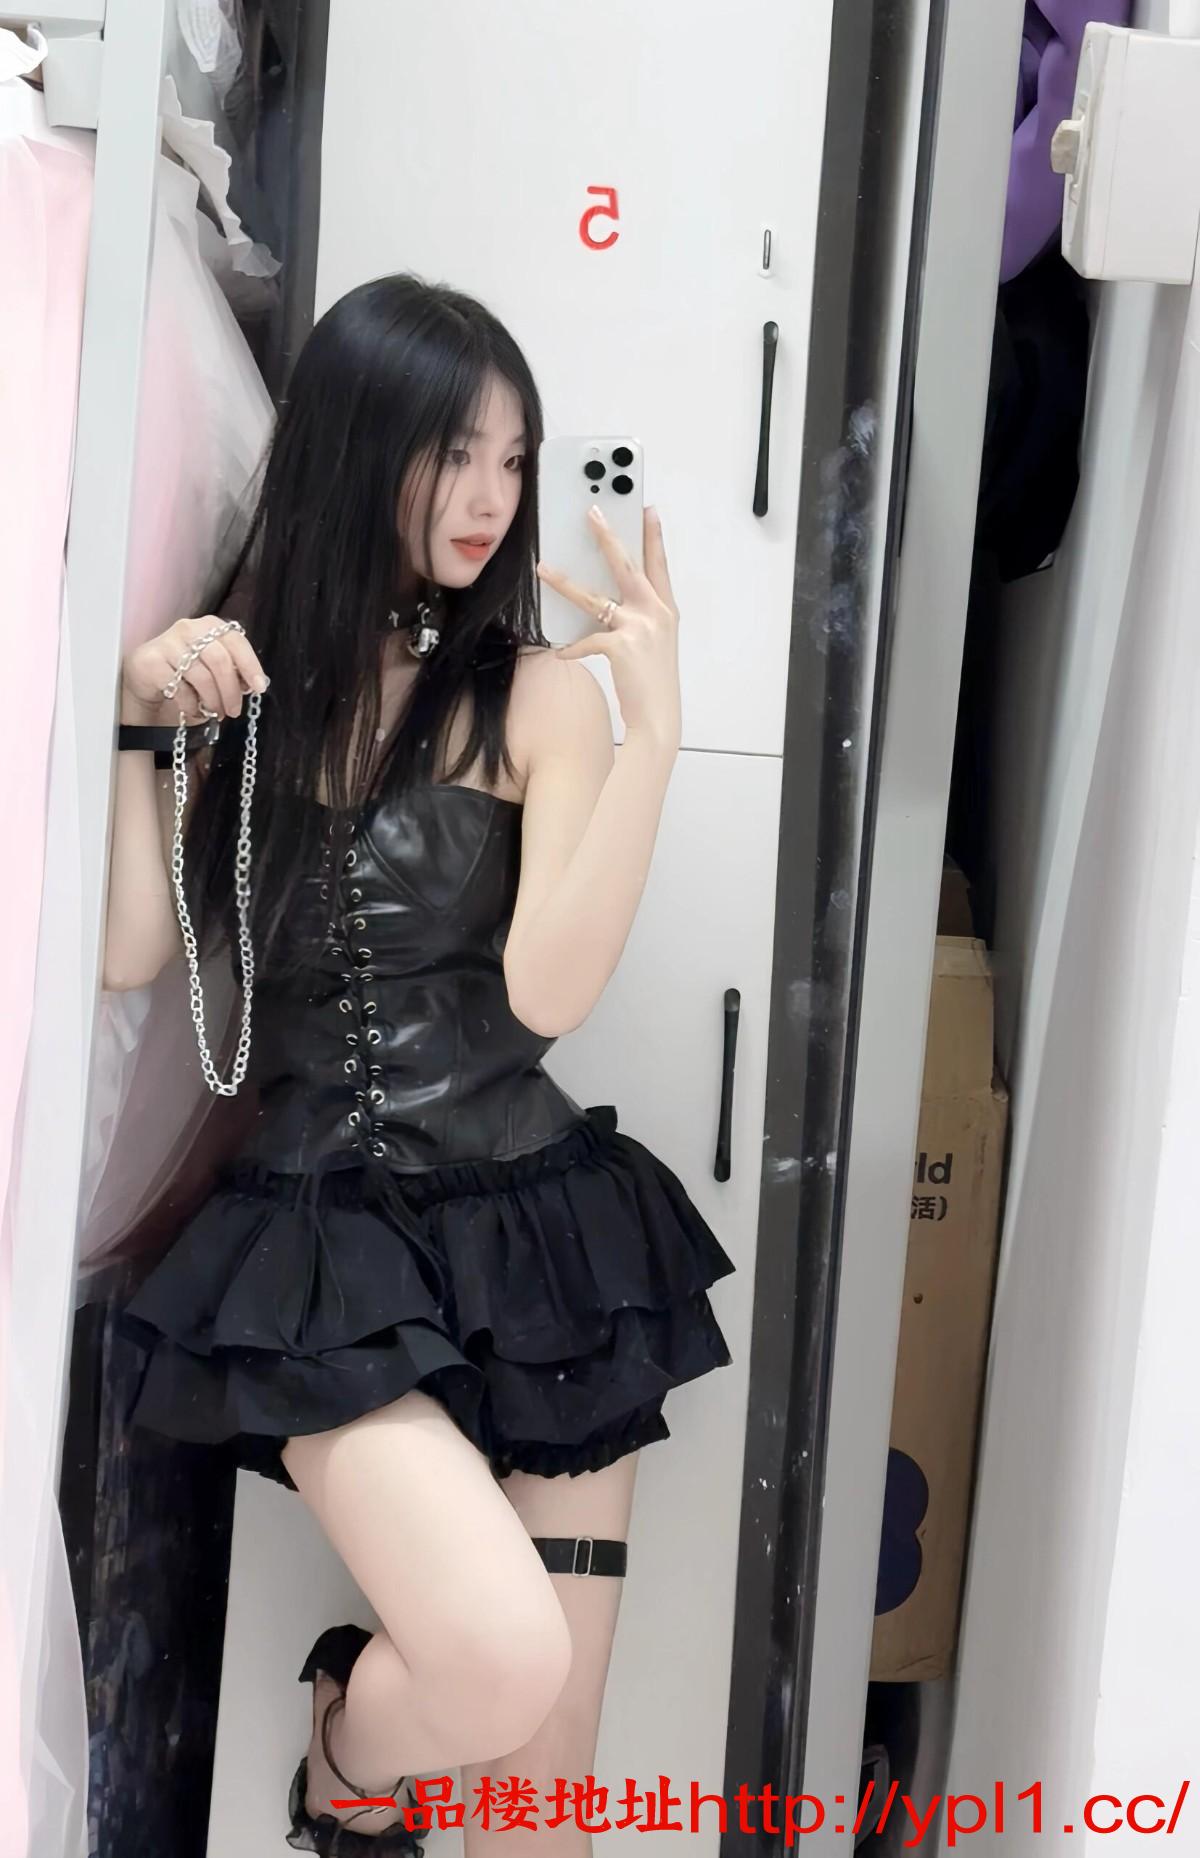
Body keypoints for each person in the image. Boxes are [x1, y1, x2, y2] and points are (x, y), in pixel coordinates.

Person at [107, 273, 736, 1855]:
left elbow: (545, 989)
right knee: (498, 1660)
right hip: (325, 1256)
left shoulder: (538, 695)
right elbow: (130, 947)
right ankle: (347, 1765)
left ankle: (370, 1775)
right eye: (455, 452)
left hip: (546, 1241)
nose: (490, 495)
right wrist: (138, 722)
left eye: (513, 458)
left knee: (549, 1791)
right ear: (359, 443)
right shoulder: (243, 689)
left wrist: (651, 738)